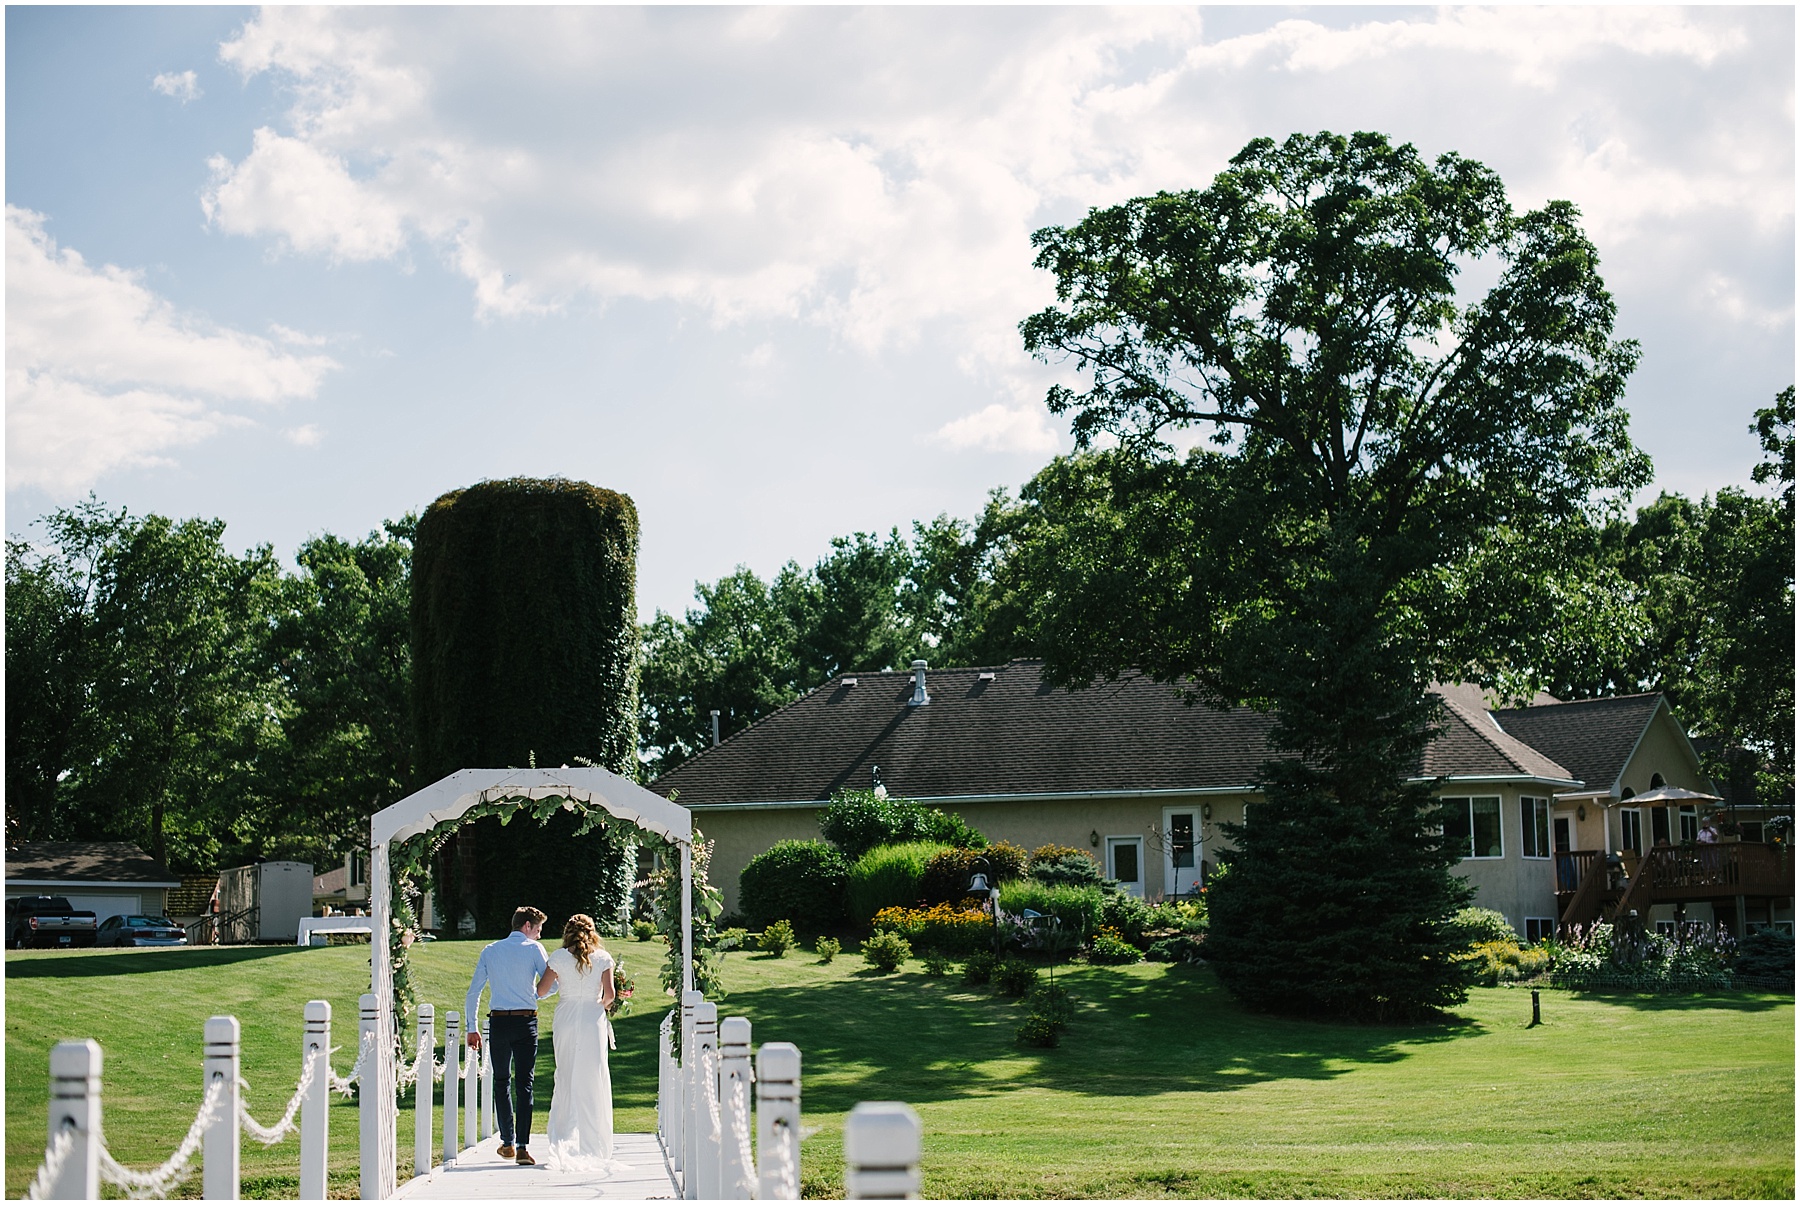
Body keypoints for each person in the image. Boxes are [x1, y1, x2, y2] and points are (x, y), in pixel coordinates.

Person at [466, 905, 550, 1166]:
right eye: (537, 930)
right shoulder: (534, 949)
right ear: (527, 926)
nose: (538, 935)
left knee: (502, 1081)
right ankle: (524, 1147)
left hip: (499, 1023)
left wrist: (472, 1027)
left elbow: (474, 992)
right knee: (525, 1084)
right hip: (526, 1022)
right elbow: (552, 984)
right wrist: (534, 994)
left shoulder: (490, 951)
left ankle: (507, 1142)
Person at [538, 913, 620, 1171]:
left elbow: (541, 991)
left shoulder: (559, 957)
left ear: (567, 932)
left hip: (566, 1017)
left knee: (566, 1074)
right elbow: (610, 996)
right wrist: (598, 1006)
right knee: (593, 1076)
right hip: (592, 1018)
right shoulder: (603, 959)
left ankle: (564, 1139)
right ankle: (593, 1144)